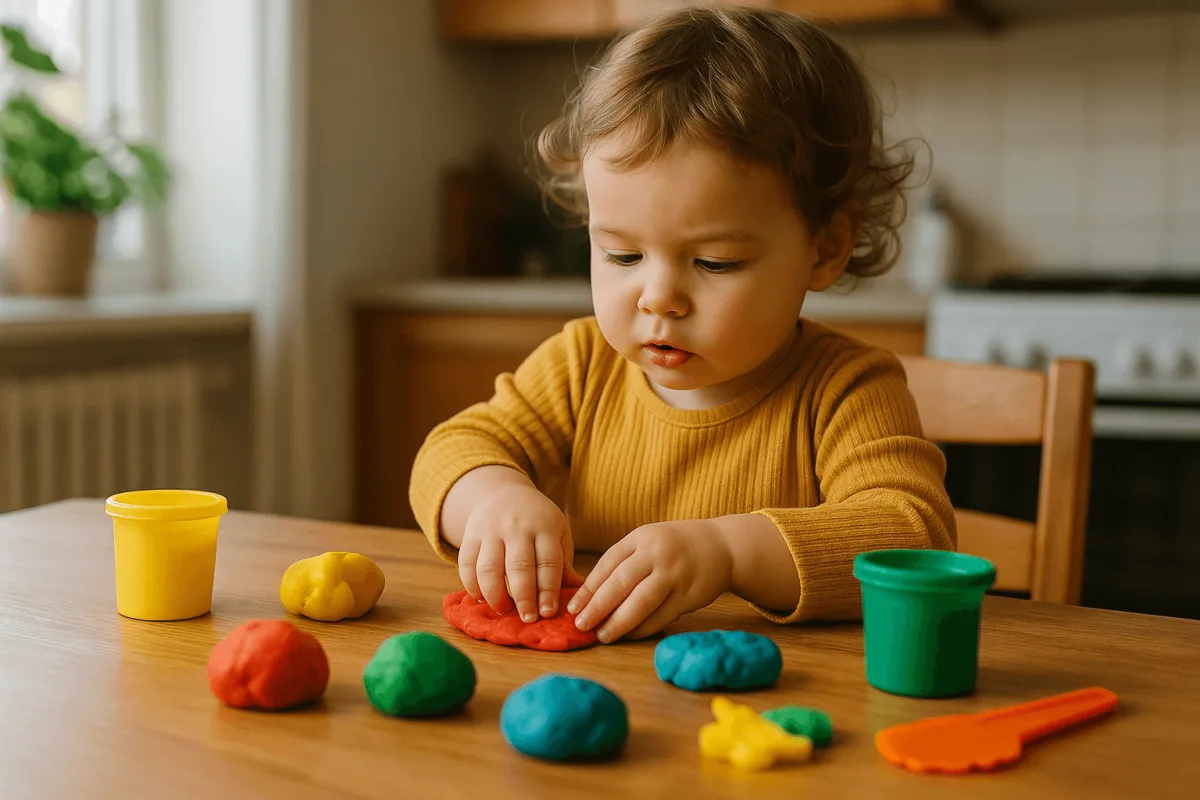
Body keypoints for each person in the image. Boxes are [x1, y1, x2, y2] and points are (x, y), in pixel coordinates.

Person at [409, 5, 955, 644]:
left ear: (826, 247)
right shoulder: (582, 365)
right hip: (603, 691)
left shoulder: (846, 389)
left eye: (715, 262)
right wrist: (493, 496)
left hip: (781, 706)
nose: (658, 298)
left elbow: (913, 532)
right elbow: (450, 450)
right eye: (622, 255)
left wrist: (727, 552)